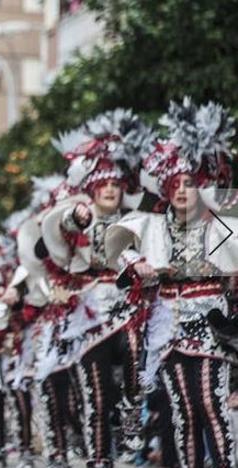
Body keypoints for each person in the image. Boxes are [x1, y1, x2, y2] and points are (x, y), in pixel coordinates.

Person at [106, 98, 238, 468]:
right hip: (169, 327)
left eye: (189, 183)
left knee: (210, 404)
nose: (182, 190)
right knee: (182, 410)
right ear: (165, 187)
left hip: (211, 324)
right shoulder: (153, 225)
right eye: (175, 184)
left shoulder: (218, 223)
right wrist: (139, 263)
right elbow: (115, 246)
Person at [40, 109, 155, 467]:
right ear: (91, 188)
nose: (109, 189)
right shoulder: (79, 218)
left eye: (116, 184)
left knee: (139, 357)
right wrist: (77, 217)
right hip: (87, 316)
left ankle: (134, 411)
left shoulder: (137, 222)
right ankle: (98, 457)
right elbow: (57, 230)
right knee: (97, 395)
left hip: (127, 307)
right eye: (103, 183)